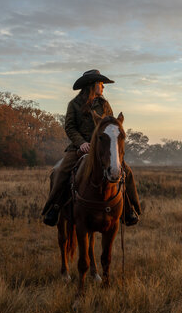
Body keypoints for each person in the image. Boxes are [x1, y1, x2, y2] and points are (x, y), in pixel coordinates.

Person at [41, 69, 141, 226]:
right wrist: (81, 143)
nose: (103, 87)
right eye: (101, 84)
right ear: (92, 85)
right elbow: (70, 127)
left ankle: (130, 209)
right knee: (59, 172)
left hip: (101, 148)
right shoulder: (73, 105)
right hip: (78, 148)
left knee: (126, 171)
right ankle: (53, 208)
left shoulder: (105, 105)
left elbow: (110, 126)